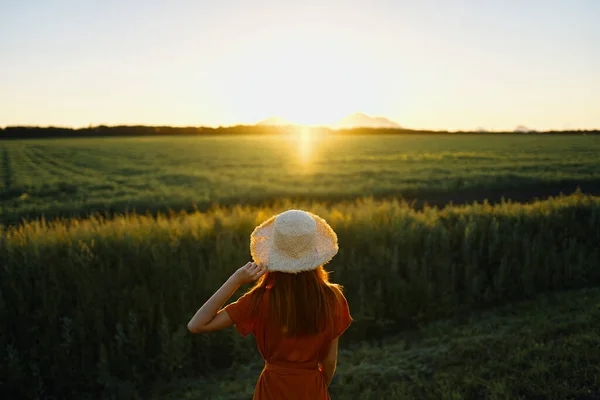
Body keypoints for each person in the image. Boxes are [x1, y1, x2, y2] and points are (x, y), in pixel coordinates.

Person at [187, 209, 352, 399]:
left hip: (272, 390)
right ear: (314, 252)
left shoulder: (258, 300)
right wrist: (317, 387)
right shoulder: (333, 298)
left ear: (274, 252)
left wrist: (235, 280)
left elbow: (196, 325)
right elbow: (330, 361)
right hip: (311, 388)